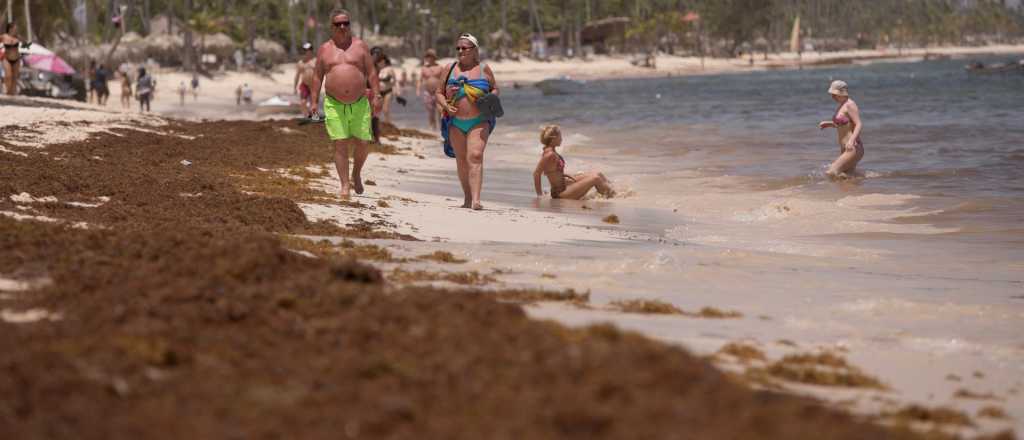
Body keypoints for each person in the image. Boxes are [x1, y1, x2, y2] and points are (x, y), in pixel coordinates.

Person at [310, 9, 381, 200]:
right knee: (340, 144)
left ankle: (356, 173)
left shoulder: (360, 46)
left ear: (350, 25)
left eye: (346, 23)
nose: (342, 27)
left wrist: (377, 95)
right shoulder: (324, 49)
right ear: (331, 27)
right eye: (338, 24)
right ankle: (344, 185)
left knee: (363, 143)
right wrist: (314, 101)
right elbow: (317, 76)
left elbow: (372, 73)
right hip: (333, 104)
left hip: (359, 102)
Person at [436, 33, 499, 210]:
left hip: (479, 120)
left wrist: (491, 99)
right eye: (458, 48)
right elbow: (439, 92)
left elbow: (495, 88)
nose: (460, 51)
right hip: (455, 122)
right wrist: (446, 107)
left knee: (476, 156)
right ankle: (467, 197)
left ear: (474, 50)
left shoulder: (484, 69)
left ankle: (476, 200)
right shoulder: (449, 68)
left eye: (464, 48)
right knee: (462, 160)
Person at [533, 125, 615, 200]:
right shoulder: (549, 154)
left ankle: (612, 192)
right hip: (561, 193)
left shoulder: (552, 152)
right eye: (560, 136)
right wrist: (540, 195)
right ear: (554, 138)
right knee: (595, 179)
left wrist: (566, 175)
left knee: (598, 173)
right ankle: (613, 197)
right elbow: (536, 173)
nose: (561, 139)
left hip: (564, 185)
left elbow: (553, 171)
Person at [817, 80, 864, 178]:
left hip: (853, 148)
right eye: (832, 94)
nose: (832, 97)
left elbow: (858, 124)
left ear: (842, 93)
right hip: (845, 148)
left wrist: (851, 141)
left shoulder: (850, 104)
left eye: (835, 94)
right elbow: (844, 124)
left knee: (831, 173)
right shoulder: (841, 106)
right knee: (847, 177)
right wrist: (829, 124)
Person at [416, 48, 444, 130]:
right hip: (428, 92)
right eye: (427, 56)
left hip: (438, 92)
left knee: (440, 110)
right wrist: (418, 90)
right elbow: (420, 80)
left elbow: (445, 79)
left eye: (430, 56)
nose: (429, 58)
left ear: (434, 57)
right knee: (430, 112)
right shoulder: (424, 68)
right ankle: (432, 127)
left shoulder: (440, 67)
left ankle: (441, 127)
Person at [294, 42, 317, 118]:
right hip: (304, 85)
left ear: (311, 50)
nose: (306, 51)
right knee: (303, 102)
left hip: (314, 85)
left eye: (308, 49)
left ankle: (313, 116)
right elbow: (297, 76)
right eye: (305, 50)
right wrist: (295, 88)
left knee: (313, 104)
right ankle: (306, 116)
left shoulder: (316, 61)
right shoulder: (300, 63)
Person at [376, 54, 400, 124]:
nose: (380, 63)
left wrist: (397, 91)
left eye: (382, 61)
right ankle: (377, 123)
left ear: (385, 61)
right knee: (377, 109)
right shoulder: (376, 70)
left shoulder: (389, 69)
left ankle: (388, 122)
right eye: (379, 61)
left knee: (385, 109)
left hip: (388, 91)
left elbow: (395, 81)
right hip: (379, 92)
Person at [1, 21, 21, 96]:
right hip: (6, 58)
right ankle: (8, 91)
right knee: (8, 75)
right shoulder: (4, 36)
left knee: (15, 77)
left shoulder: (18, 37)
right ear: (10, 28)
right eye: (15, 28)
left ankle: (12, 93)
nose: (16, 30)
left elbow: (26, 44)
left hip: (17, 59)